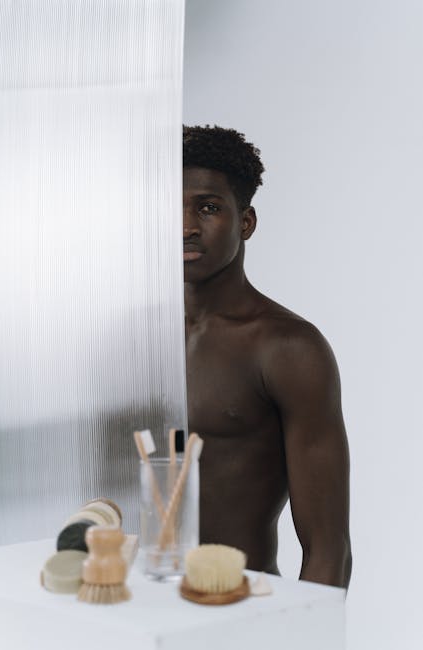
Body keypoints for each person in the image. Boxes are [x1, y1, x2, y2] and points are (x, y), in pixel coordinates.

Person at [183, 125, 352, 589]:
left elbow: (328, 549)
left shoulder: (287, 348)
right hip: (138, 610)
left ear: (246, 222)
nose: (186, 227)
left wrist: (300, 627)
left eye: (208, 207)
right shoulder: (133, 341)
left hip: (244, 610)